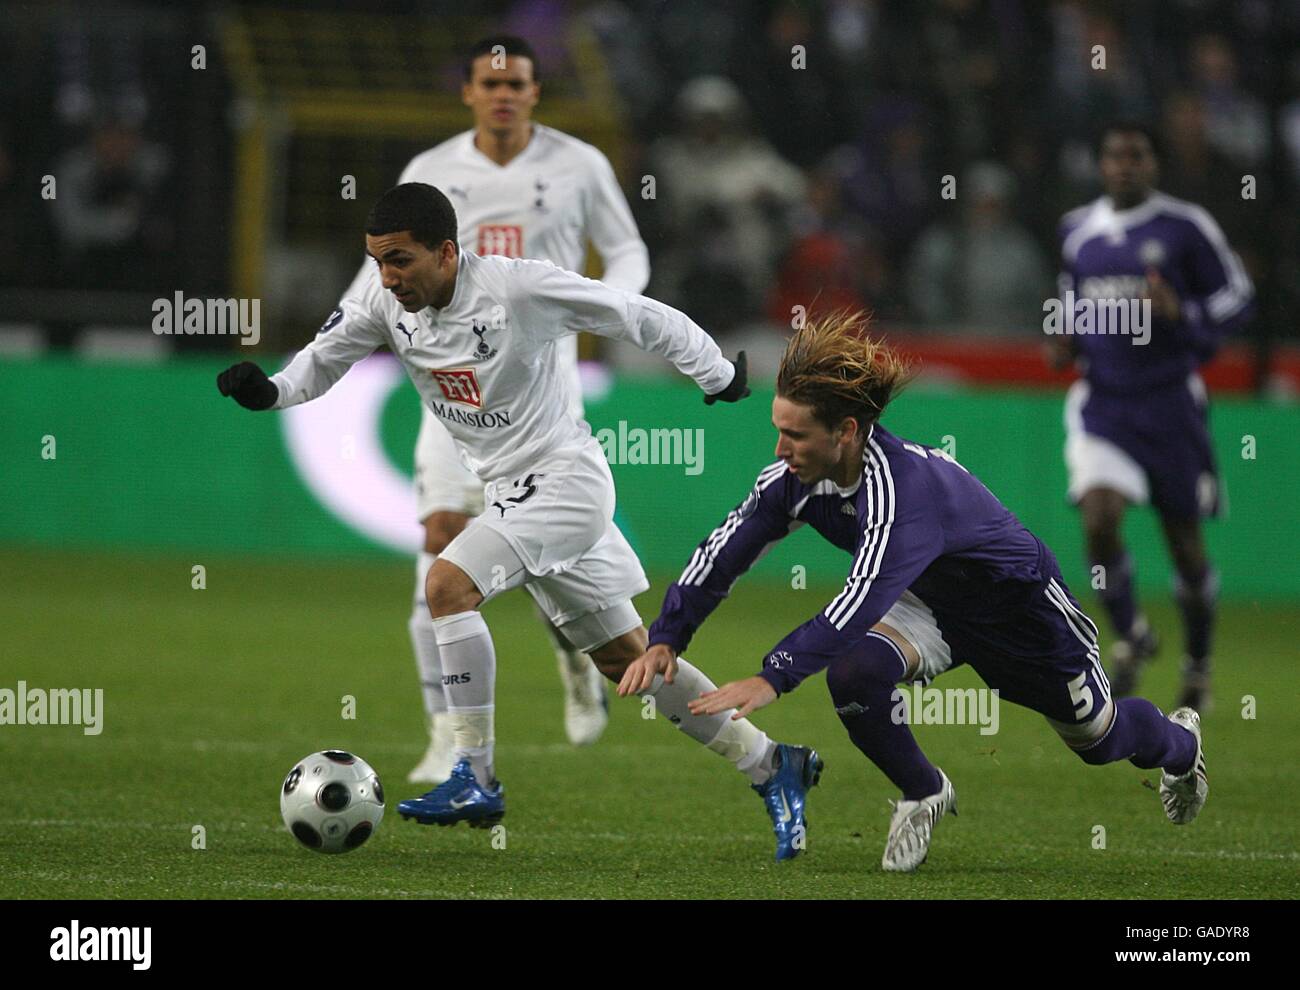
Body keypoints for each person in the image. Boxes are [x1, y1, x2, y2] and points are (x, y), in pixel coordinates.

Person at [217, 182, 822, 861]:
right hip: (513, 494)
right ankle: (773, 765)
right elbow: (324, 360)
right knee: (628, 660)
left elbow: (632, 313)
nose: (388, 277)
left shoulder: (518, 291)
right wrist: (269, 393)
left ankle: (473, 773)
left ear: (447, 253)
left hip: (565, 483)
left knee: (447, 587)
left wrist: (715, 372)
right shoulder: (386, 304)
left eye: (401, 260)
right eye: (378, 261)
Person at [622, 312, 1208, 873]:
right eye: (779, 431)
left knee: (1098, 739)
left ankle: (1180, 745)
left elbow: (863, 598)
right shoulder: (794, 482)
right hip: (926, 604)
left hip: (1019, 612)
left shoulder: (902, 493)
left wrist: (773, 674)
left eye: (794, 435)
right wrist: (669, 634)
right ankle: (922, 791)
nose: (780, 449)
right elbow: (722, 553)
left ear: (845, 432)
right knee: (852, 675)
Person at [331, 37, 652, 780]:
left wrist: (610, 309)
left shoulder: (580, 165)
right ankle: (448, 733)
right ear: (468, 91)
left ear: (536, 92)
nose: (503, 93)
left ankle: (576, 658)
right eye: (490, 82)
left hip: (540, 386)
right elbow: (375, 275)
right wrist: (335, 342)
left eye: (517, 82)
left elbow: (625, 249)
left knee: (545, 552)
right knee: (441, 539)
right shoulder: (432, 171)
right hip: (452, 390)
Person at [1054, 121, 1253, 710]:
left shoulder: (1186, 226)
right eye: (1114, 157)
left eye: (1136, 156)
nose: (1125, 167)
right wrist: (1065, 339)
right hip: (1105, 403)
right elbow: (1072, 302)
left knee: (1185, 544)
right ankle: (1133, 636)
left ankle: (1197, 665)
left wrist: (1183, 310)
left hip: (1169, 404)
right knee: (1098, 517)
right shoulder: (1077, 230)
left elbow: (1238, 297)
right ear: (1100, 165)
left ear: (1154, 165)